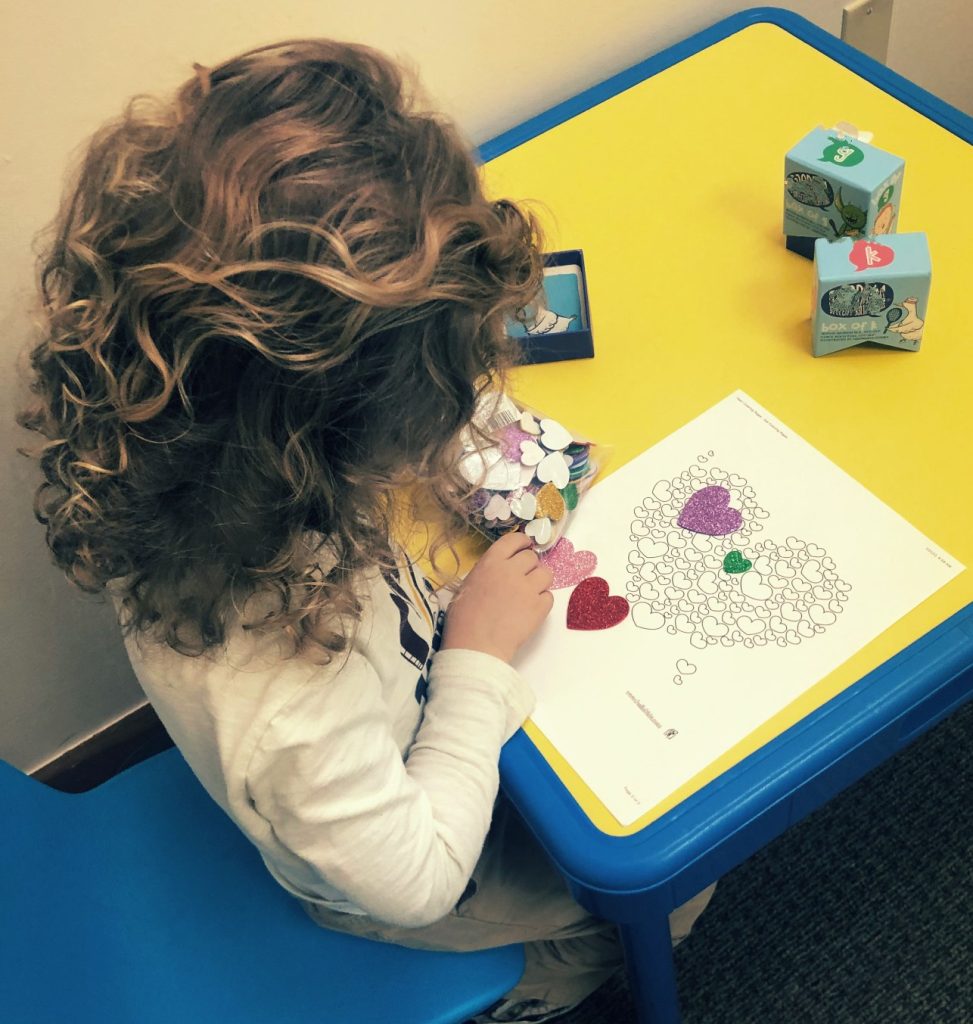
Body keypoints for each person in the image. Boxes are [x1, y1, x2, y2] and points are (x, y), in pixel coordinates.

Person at [17, 40, 713, 1023]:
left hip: (365, 736)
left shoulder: (170, 454)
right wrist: (474, 655)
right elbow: (419, 874)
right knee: (670, 891)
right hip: (393, 882)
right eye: (428, 399)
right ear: (334, 441)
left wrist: (457, 428)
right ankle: (537, 989)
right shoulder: (295, 710)